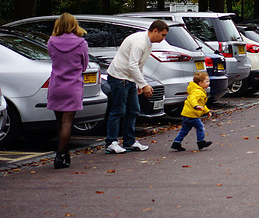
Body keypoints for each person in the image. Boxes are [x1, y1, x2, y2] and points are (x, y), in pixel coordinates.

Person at [104, 20, 168, 154]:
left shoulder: (147, 42)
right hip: (119, 76)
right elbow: (133, 64)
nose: (163, 39)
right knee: (118, 110)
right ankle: (111, 142)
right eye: (162, 35)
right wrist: (144, 85)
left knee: (133, 109)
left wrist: (139, 83)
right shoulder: (140, 42)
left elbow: (139, 65)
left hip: (129, 78)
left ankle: (129, 141)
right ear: (155, 30)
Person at [46, 13, 90, 169]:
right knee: (67, 122)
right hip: (73, 86)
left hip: (56, 85)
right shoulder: (81, 43)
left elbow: (52, 58)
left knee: (59, 121)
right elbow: (84, 65)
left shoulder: (51, 41)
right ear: (74, 24)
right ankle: (60, 155)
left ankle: (64, 153)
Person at [171, 71, 213, 151]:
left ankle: (176, 142)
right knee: (200, 127)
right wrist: (196, 106)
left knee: (184, 130)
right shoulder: (197, 91)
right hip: (192, 114)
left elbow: (202, 104)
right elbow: (192, 99)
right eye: (207, 81)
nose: (208, 83)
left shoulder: (197, 90)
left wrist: (207, 111)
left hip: (186, 114)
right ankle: (201, 142)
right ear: (200, 83)